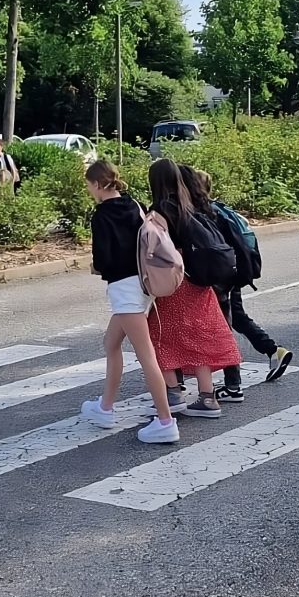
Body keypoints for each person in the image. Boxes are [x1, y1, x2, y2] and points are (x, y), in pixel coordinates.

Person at [81, 160, 179, 444]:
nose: (89, 191)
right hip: (142, 284)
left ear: (99, 185)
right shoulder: (132, 204)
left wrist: (95, 267)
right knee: (111, 343)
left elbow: (102, 261)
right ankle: (105, 407)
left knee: (145, 355)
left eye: (89, 186)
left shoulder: (101, 215)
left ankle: (165, 421)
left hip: (124, 289)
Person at [148, 159, 241, 418]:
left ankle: (173, 392)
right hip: (199, 282)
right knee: (198, 339)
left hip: (174, 284)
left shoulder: (159, 211)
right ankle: (208, 397)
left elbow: (155, 249)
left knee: (159, 335)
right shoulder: (189, 206)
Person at [198, 169, 293, 400]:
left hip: (222, 277)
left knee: (225, 325)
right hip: (233, 271)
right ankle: (273, 350)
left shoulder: (208, 214)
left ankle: (233, 383)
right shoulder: (219, 208)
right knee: (236, 316)